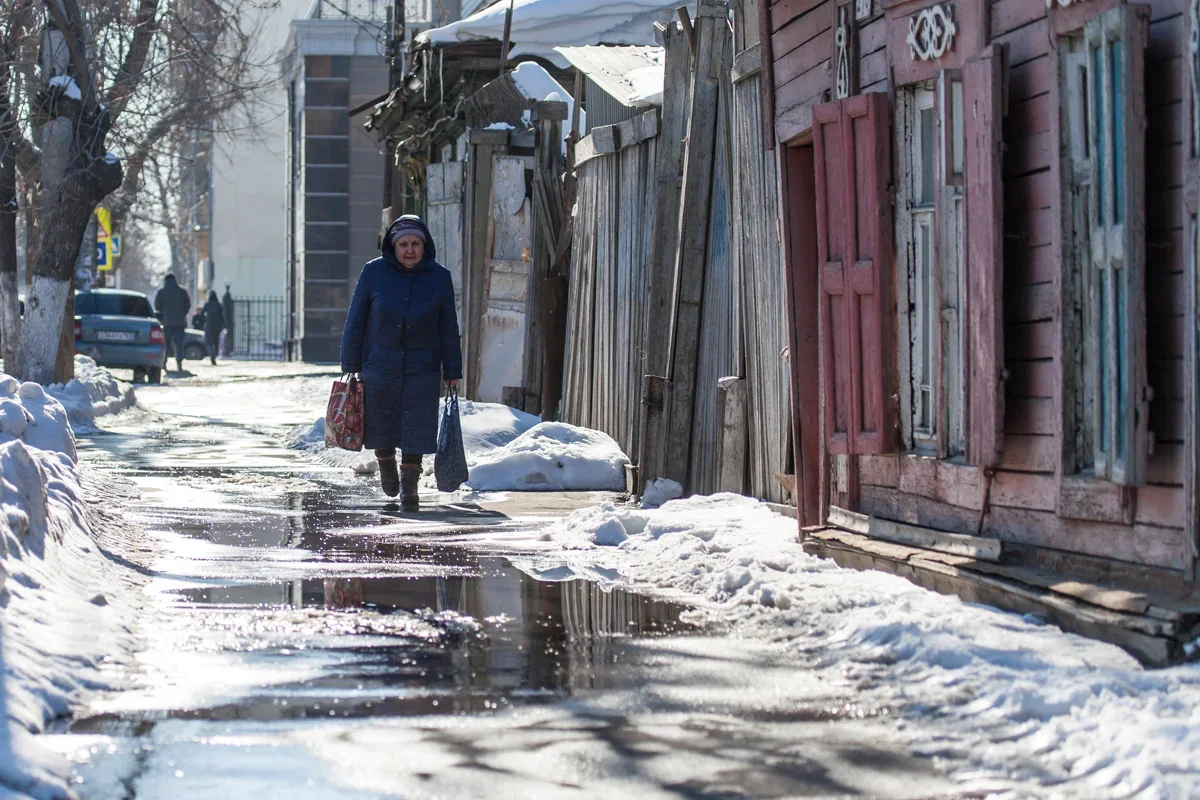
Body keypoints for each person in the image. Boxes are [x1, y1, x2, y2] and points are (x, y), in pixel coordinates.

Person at [340, 215, 462, 511]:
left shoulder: (439, 277)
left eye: (416, 243)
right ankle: (385, 465)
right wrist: (350, 362)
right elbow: (356, 319)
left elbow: (448, 326)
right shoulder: (374, 272)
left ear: (425, 245)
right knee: (380, 424)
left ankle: (410, 486)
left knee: (416, 427)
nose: (410, 250)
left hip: (424, 365)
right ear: (392, 247)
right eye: (404, 244)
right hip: (380, 364)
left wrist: (453, 369)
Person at [154, 273, 190, 373]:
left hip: (166, 323)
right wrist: (182, 314)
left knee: (165, 344)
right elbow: (188, 305)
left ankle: (164, 363)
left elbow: (157, 306)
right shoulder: (182, 291)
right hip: (179, 323)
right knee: (179, 344)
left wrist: (163, 315)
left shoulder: (161, 291)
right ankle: (179, 364)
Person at [202, 290, 225, 366]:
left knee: (209, 341)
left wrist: (205, 319)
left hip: (209, 325)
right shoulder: (219, 305)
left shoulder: (207, 304)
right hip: (217, 326)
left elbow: (202, 314)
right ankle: (214, 354)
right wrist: (224, 325)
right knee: (216, 342)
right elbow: (222, 316)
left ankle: (211, 352)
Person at [221, 285, 235, 356]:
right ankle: (227, 350)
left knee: (227, 337)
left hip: (226, 324)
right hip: (227, 324)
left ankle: (227, 350)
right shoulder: (225, 300)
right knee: (226, 337)